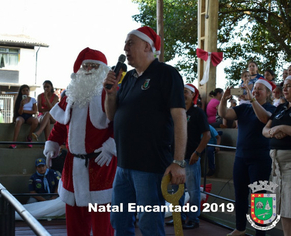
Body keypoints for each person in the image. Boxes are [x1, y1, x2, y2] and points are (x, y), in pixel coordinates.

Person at [103, 26, 187, 236]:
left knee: (150, 225)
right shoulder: (129, 78)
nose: (125, 48)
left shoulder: (166, 74)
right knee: (119, 221)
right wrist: (110, 95)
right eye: (125, 43)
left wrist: (178, 162)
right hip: (123, 166)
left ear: (147, 46)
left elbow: (180, 119)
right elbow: (112, 116)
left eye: (130, 43)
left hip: (151, 167)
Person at [44, 47, 117, 236]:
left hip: (101, 164)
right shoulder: (70, 95)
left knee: (103, 224)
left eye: (94, 66)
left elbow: (122, 124)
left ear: (103, 69)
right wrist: (52, 143)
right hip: (73, 166)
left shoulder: (110, 93)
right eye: (86, 66)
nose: (89, 69)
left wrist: (111, 146)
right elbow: (61, 125)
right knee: (75, 223)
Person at [218, 78, 276, 236]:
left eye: (260, 89)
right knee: (240, 194)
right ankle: (240, 228)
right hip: (241, 157)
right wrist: (224, 99)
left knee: (260, 197)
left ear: (268, 93)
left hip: (261, 158)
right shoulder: (243, 108)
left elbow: (264, 118)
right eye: (254, 88)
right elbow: (223, 113)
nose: (256, 91)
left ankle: (261, 232)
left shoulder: (272, 108)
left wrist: (251, 99)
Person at [167, 84, 210, 229]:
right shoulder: (175, 111)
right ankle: (178, 218)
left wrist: (197, 153)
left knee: (193, 190)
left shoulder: (198, 113)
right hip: (176, 159)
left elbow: (207, 135)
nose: (183, 94)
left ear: (193, 95)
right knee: (176, 189)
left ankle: (193, 219)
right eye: (181, 91)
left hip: (191, 158)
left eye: (186, 92)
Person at [262, 75, 291, 236]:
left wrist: (284, 129)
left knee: (289, 208)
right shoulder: (281, 108)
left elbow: (283, 129)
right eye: (284, 85)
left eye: (289, 86)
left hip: (290, 165)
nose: (284, 89)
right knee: (284, 209)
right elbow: (265, 129)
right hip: (276, 166)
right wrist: (274, 131)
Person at [10, 84, 38, 149]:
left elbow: (35, 111)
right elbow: (19, 112)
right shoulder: (19, 100)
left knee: (35, 121)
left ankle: (29, 137)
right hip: (21, 116)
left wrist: (24, 111)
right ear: (21, 92)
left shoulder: (33, 100)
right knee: (18, 121)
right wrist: (22, 105)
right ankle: (14, 142)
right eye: (23, 90)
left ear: (29, 91)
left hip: (29, 117)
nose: (25, 92)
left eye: (27, 90)